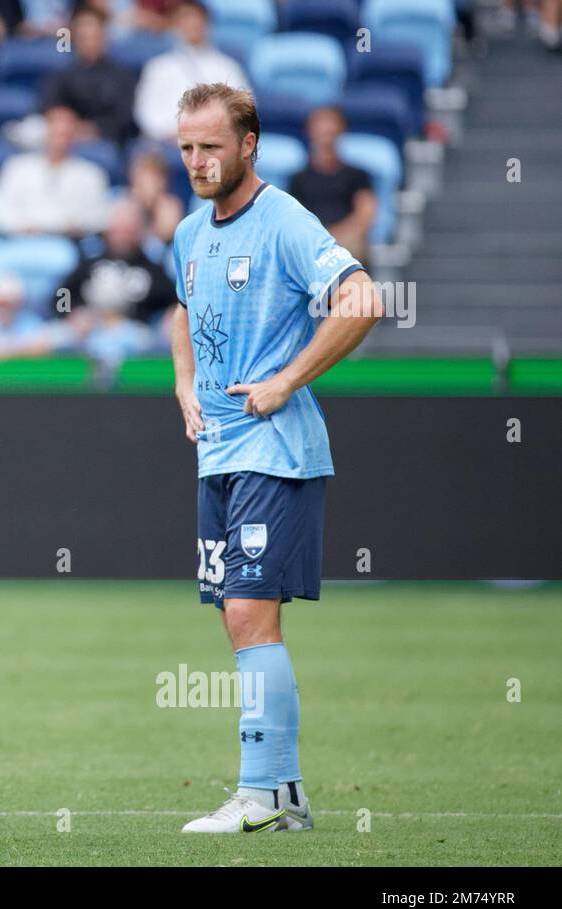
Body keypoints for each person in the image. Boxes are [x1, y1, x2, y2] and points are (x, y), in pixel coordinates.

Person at [169, 83, 382, 833]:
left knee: (249, 615)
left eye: (211, 147)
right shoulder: (191, 233)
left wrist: (286, 381)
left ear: (248, 145)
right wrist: (185, 383)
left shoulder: (285, 219)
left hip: (276, 452)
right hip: (218, 455)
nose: (197, 161)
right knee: (242, 621)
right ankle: (285, 795)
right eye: (187, 148)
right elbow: (181, 312)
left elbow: (361, 299)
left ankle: (258, 790)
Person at [134, 0, 247, 142]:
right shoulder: (158, 67)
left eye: (197, 18)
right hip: (166, 142)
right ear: (175, 25)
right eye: (185, 19)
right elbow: (145, 113)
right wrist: (173, 133)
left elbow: (243, 110)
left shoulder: (227, 66)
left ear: (208, 24)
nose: (192, 24)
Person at [0, 104, 110, 237]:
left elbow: (98, 219)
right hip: (22, 242)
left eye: (66, 133)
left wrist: (73, 226)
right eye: (56, 132)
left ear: (75, 135)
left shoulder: (91, 174)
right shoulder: (16, 167)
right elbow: (1, 215)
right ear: (45, 131)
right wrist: (27, 228)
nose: (60, 139)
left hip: (72, 244)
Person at [289, 107, 377, 266]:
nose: (326, 131)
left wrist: (337, 237)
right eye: (321, 124)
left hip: (348, 241)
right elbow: (294, 219)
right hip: (312, 244)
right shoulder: (298, 179)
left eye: (331, 124)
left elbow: (365, 213)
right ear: (310, 131)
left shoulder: (358, 175)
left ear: (342, 130)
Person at [40, 5, 138, 146]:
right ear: (75, 37)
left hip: (109, 141)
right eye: (84, 36)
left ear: (104, 36)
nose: (90, 42)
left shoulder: (123, 76)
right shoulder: (61, 74)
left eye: (94, 36)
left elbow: (125, 116)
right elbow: (49, 106)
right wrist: (70, 126)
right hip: (66, 140)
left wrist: (93, 130)